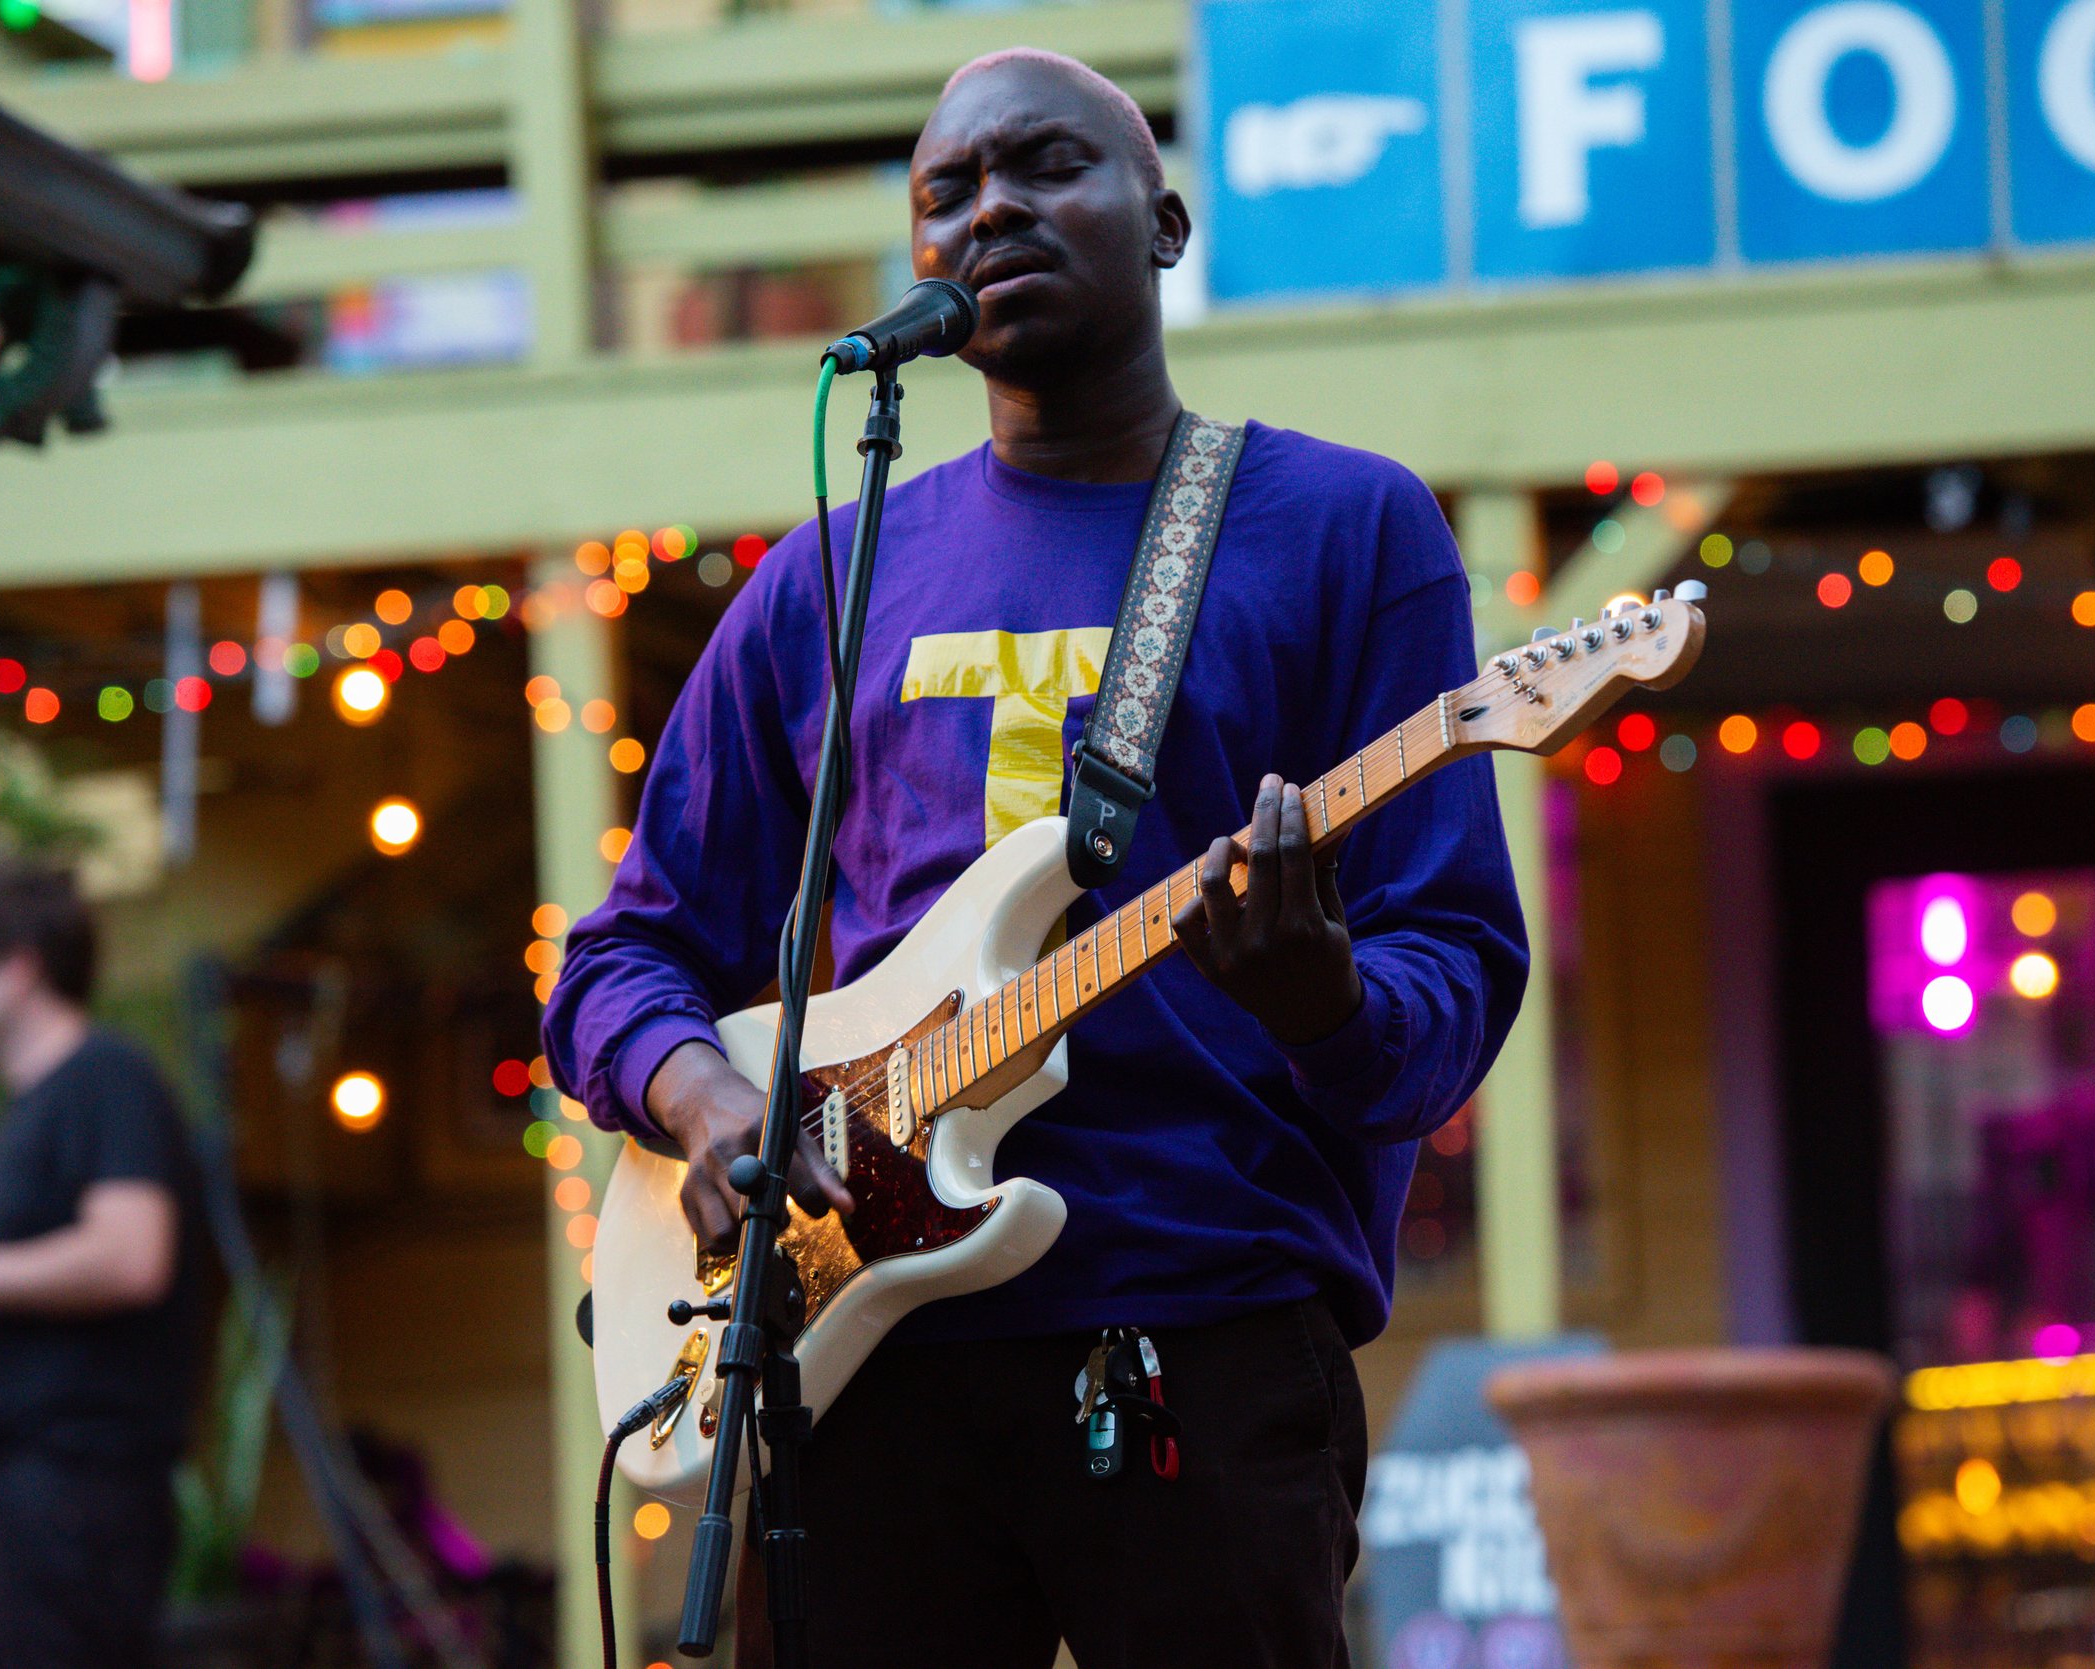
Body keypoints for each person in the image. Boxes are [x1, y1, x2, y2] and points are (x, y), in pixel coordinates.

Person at [546, 48, 1528, 1667]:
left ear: (1165, 218)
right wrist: (706, 1098)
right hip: (862, 1362)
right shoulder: (826, 576)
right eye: (948, 189)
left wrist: (1322, 996)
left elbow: (1455, 967)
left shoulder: (1348, 527)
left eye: (1047, 165)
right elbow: (623, 955)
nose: (992, 203)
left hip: (1198, 1334)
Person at [0, 862, 200, 1668]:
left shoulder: (108, 1078)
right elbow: (24, 1327)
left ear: (20, 965)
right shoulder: (26, 1111)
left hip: (75, 1494)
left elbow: (131, 1256)